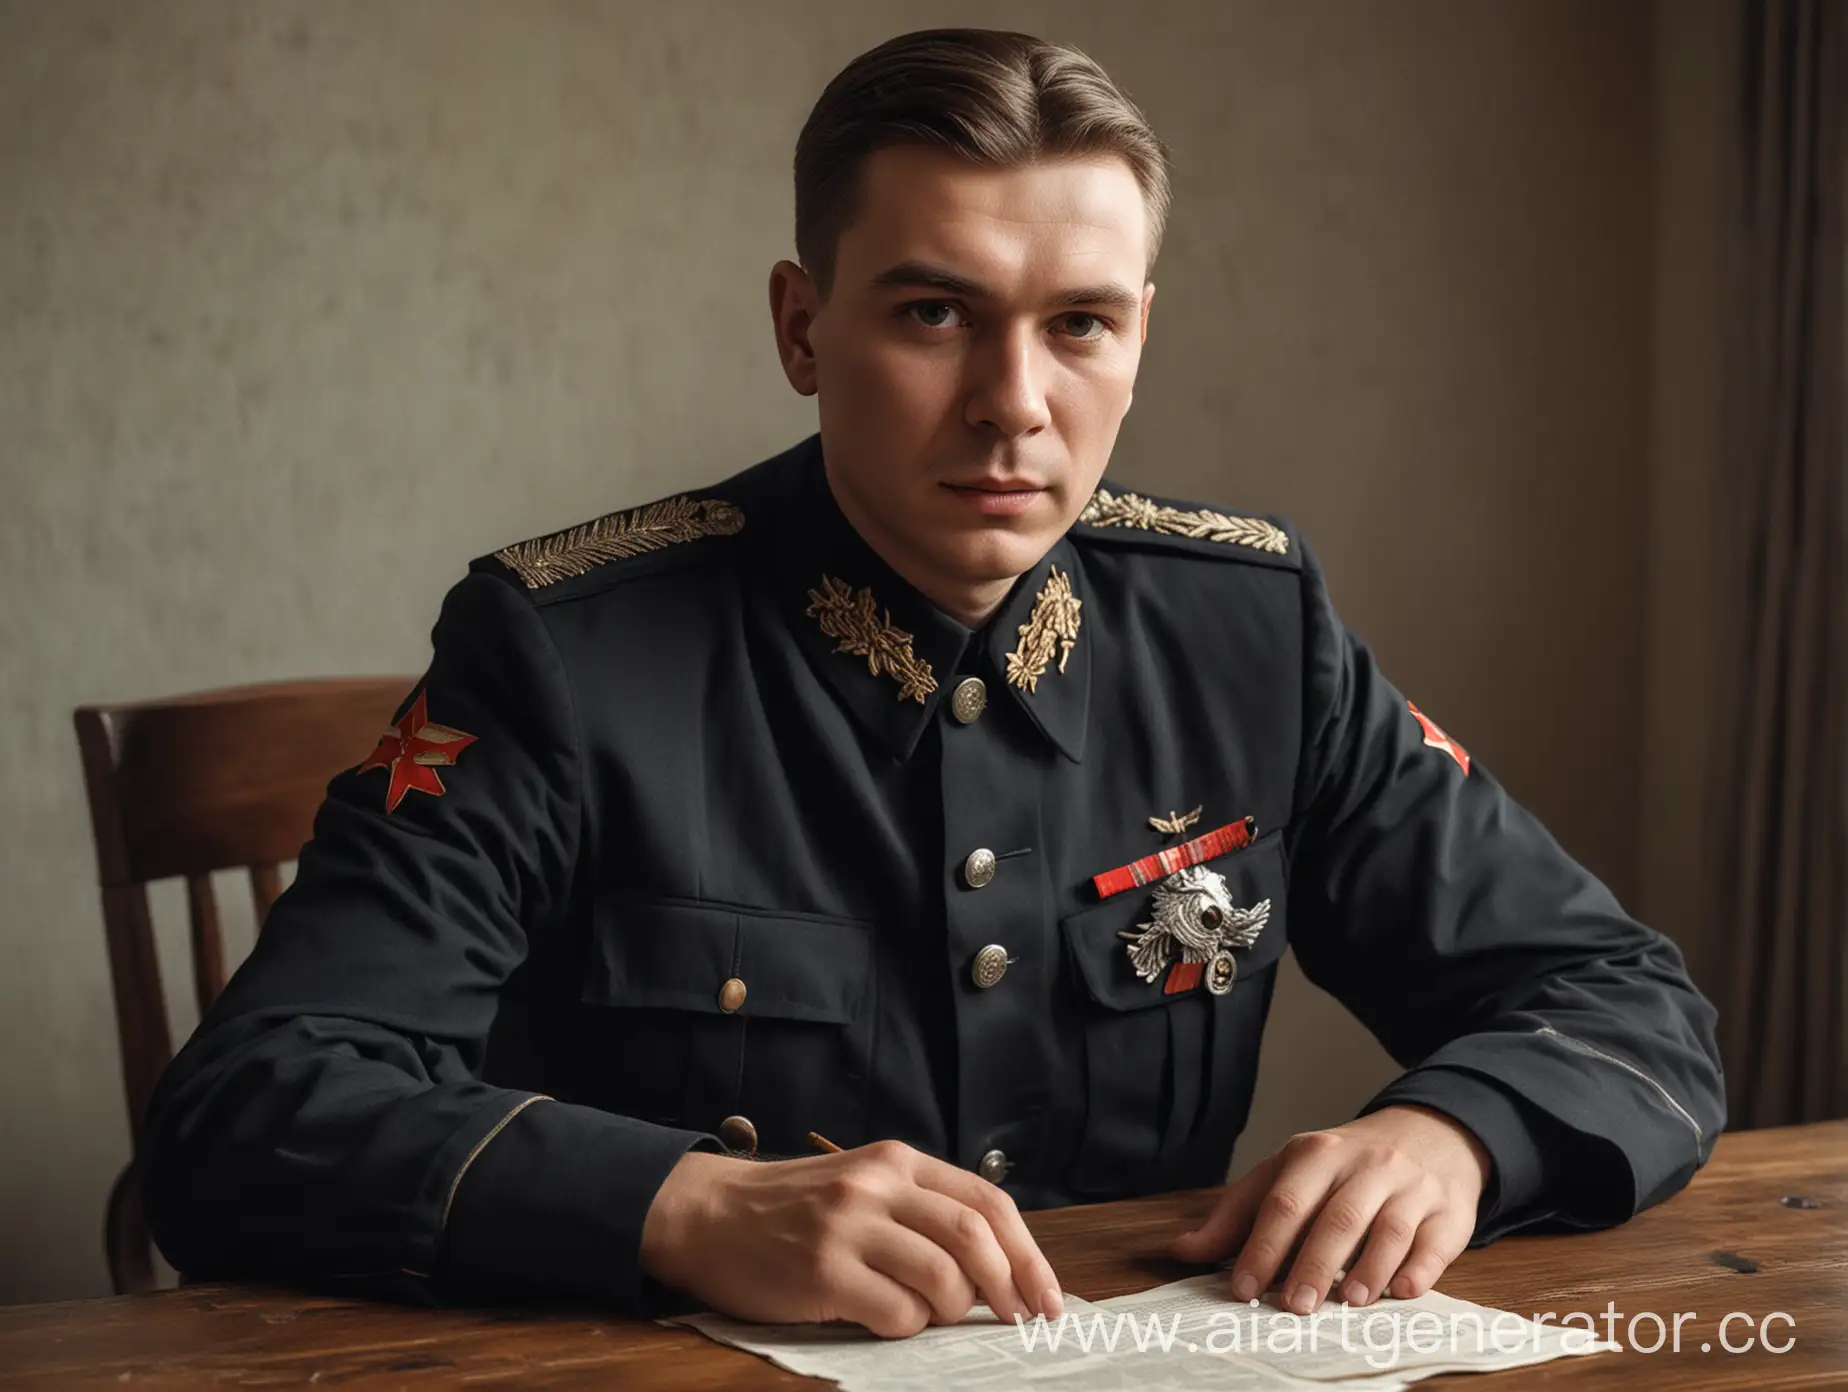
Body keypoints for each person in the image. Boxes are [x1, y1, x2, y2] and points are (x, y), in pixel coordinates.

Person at [141, 28, 1724, 1338]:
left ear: (1140, 339)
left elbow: (1625, 1005)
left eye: (1080, 324)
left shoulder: (1251, 631)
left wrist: (1457, 1135)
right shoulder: (565, 654)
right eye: (932, 314)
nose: (1013, 406)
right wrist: (680, 1205)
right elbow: (242, 1115)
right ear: (801, 325)